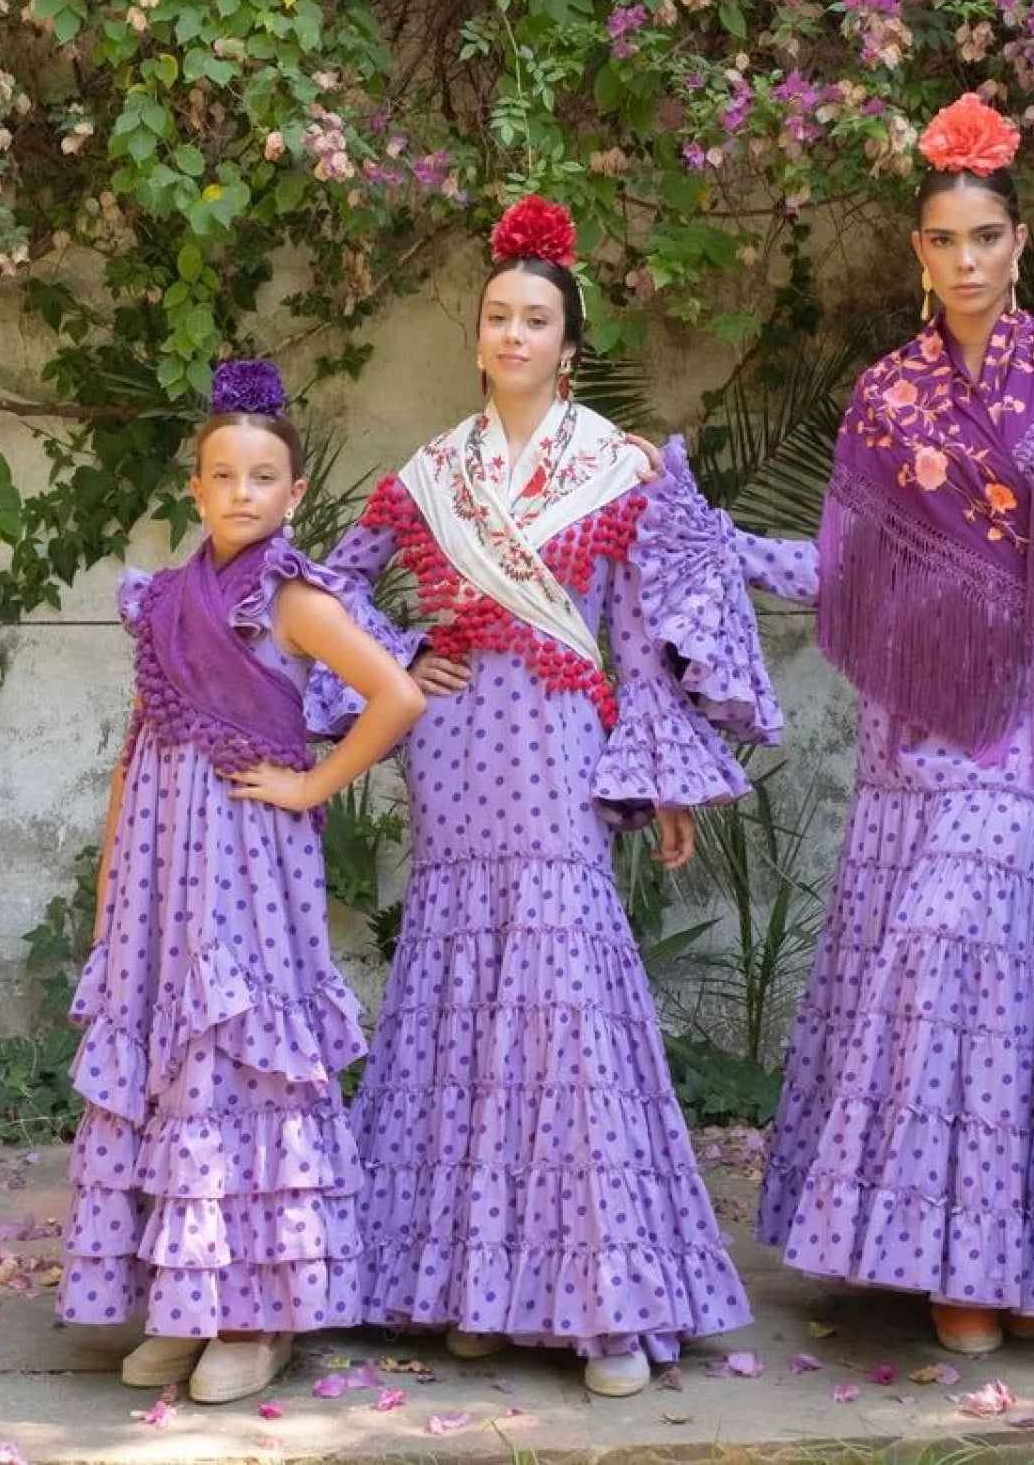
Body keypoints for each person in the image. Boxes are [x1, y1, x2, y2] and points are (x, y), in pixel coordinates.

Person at [638, 95, 1034, 1356]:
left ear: (1019, 243)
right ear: (919, 253)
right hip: (905, 732)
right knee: (914, 971)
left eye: (985, 235)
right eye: (942, 239)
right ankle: (922, 1259)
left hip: (1024, 718)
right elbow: (839, 567)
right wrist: (704, 534)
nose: (965, 259)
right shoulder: (886, 395)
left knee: (966, 951)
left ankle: (987, 1256)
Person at [307, 196, 770, 1396]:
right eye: (498, 317)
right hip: (454, 747)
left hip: (561, 743)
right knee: (457, 988)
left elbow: (635, 634)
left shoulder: (616, 467)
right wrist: (403, 654)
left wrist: (665, 780)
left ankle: (606, 1306)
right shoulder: (430, 475)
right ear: (478, 338)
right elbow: (328, 588)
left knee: (563, 992)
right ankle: (465, 1286)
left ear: (570, 345)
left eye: (537, 319)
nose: (514, 334)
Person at [58, 360, 426, 1404]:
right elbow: (138, 746)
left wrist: (313, 780)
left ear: (294, 491)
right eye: (223, 475)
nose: (241, 493)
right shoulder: (165, 599)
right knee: (172, 1053)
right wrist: (109, 884)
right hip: (160, 864)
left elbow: (396, 695)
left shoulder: (294, 598)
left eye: (263, 476)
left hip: (249, 860)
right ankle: (186, 1295)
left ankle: (259, 1311)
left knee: (244, 1052)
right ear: (196, 487)